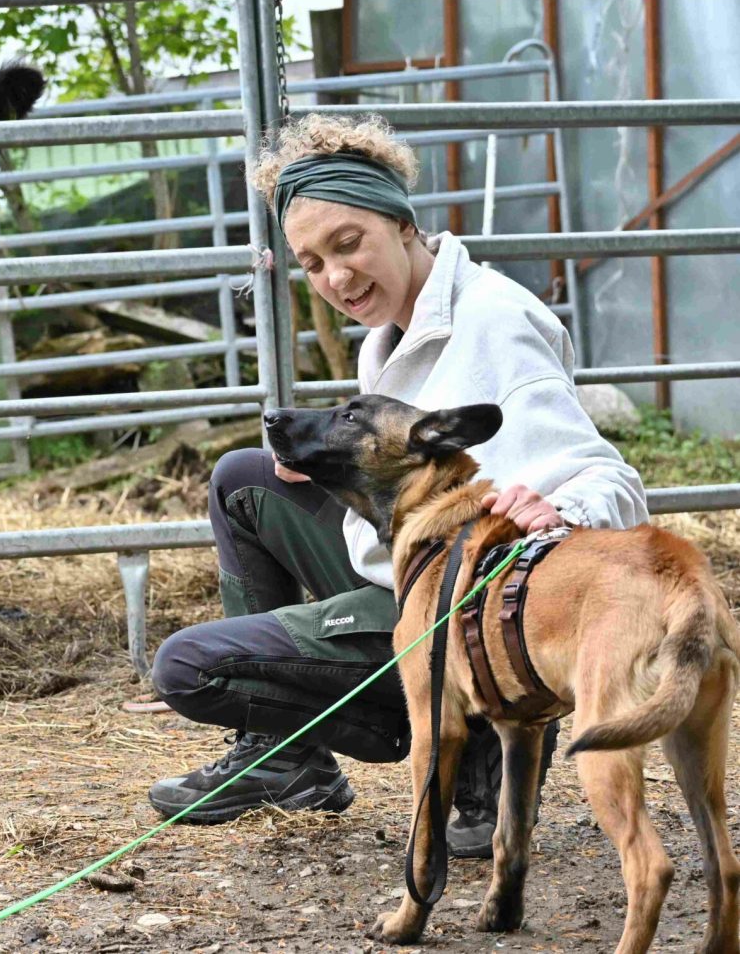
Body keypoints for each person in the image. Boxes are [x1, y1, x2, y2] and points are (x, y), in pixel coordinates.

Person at [147, 113, 649, 857]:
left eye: (349, 244)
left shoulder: (492, 322)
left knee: (188, 669)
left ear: (402, 223)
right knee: (245, 481)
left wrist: (561, 505)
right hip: (417, 568)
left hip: (465, 612)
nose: (336, 279)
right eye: (312, 263)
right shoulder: (397, 324)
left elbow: (611, 476)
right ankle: (287, 760)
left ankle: (476, 745)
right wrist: (337, 469)